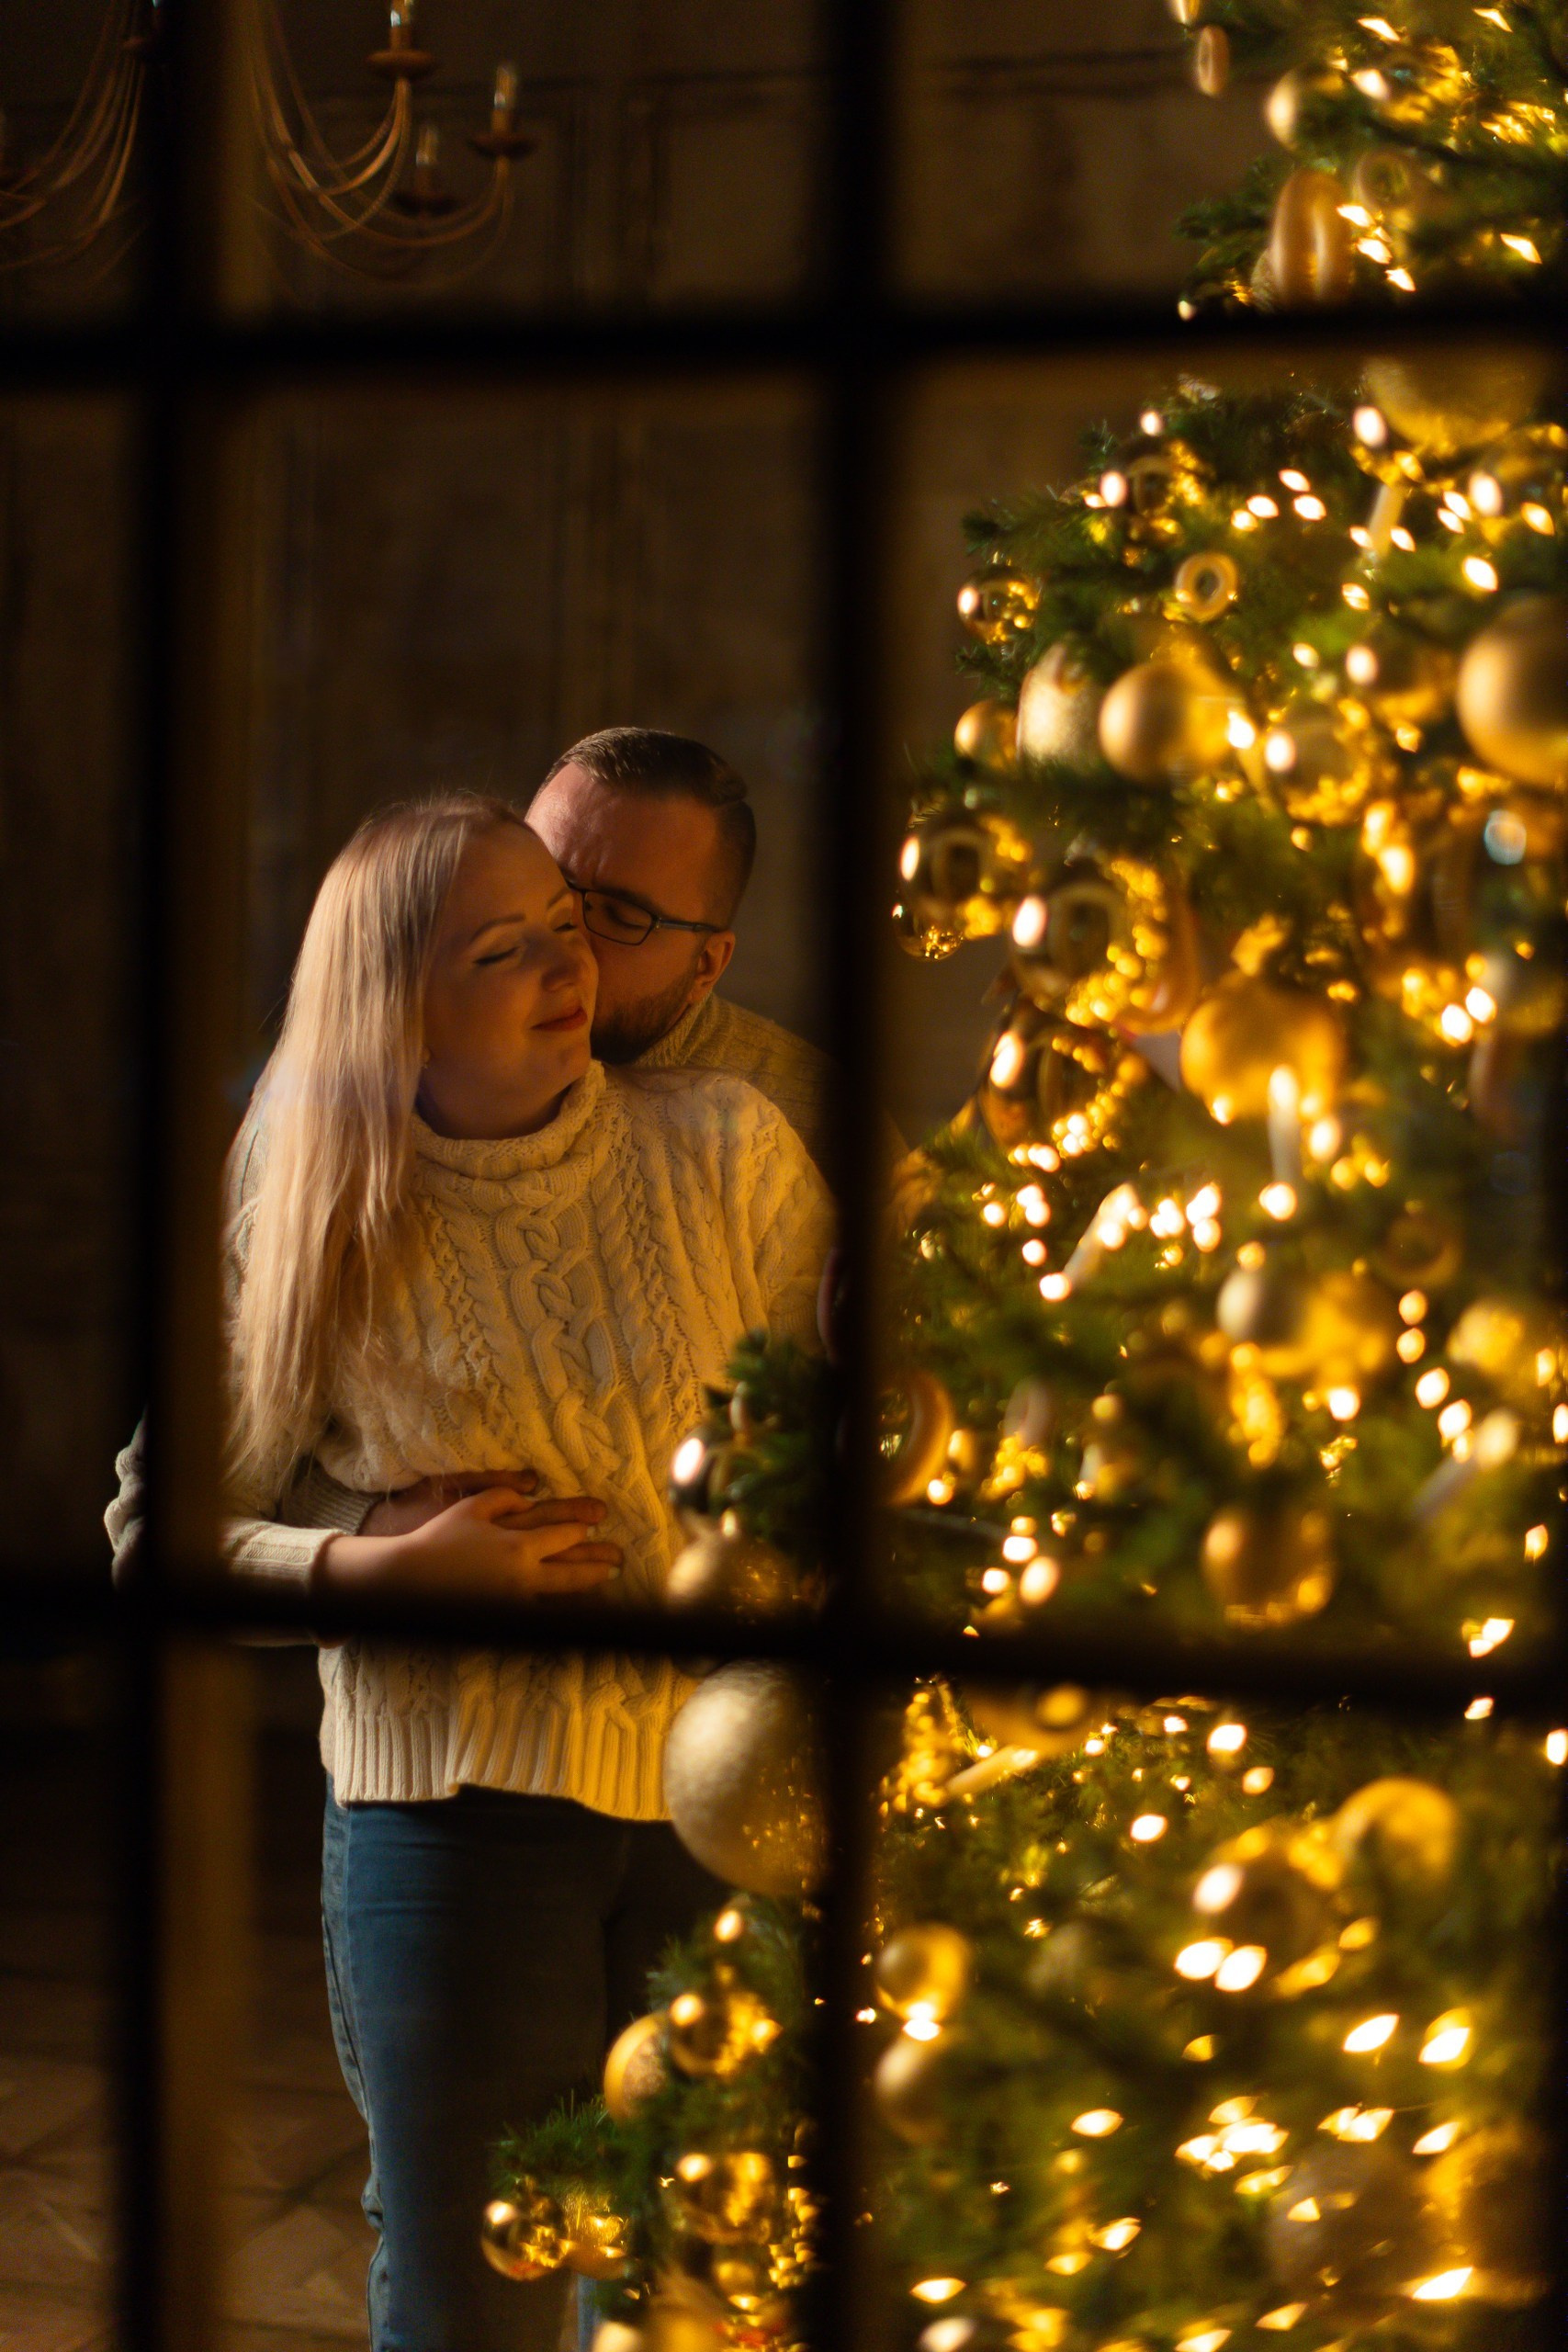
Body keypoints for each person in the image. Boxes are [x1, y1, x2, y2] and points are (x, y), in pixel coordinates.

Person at [107, 792, 831, 2352]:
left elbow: (859, 1435)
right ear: (397, 1010)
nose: (566, 969)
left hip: (723, 1808)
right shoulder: (319, 1207)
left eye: (566, 928)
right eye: (503, 952)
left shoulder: (728, 1149)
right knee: (471, 2299)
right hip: (450, 1823)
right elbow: (155, 1534)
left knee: (707, 2292)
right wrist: (378, 1571)